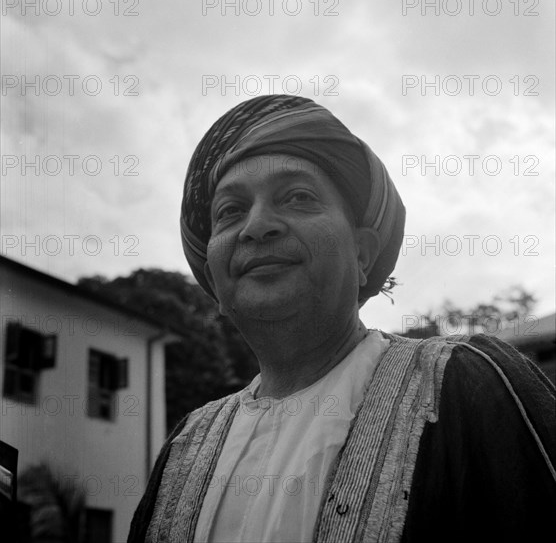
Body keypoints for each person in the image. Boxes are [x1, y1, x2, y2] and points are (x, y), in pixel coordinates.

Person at [128, 95, 556, 543]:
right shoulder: (186, 446)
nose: (257, 226)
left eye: (297, 197)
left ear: (363, 254)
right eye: (230, 211)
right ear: (215, 284)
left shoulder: (468, 383)